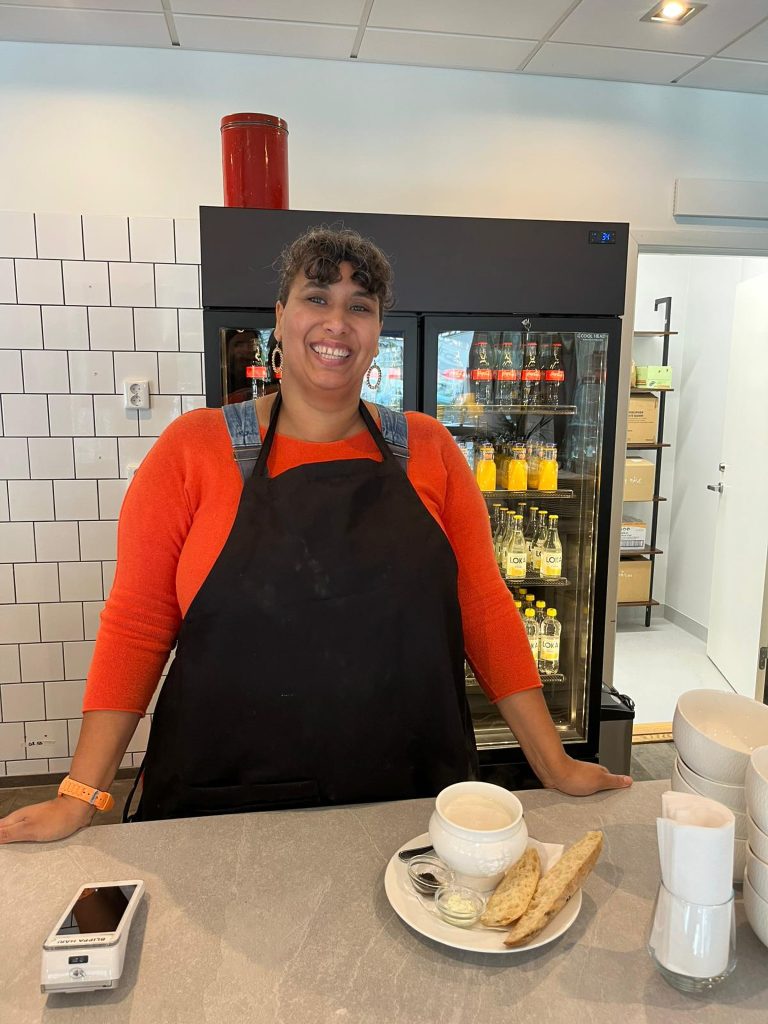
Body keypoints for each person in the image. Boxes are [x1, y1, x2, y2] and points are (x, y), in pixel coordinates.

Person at [0, 227, 630, 844]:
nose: (337, 323)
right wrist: (79, 794)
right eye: (316, 298)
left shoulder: (431, 450)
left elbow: (485, 610)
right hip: (226, 802)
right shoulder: (194, 450)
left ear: (377, 330)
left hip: (407, 795)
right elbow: (138, 623)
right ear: (281, 316)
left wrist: (553, 763)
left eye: (360, 306)